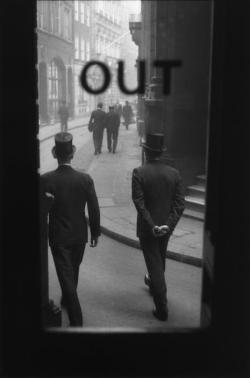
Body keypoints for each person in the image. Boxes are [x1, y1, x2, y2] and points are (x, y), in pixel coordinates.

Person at [41, 132, 101, 327]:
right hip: (79, 236)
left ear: (55, 155)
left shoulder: (46, 180)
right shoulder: (85, 179)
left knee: (66, 276)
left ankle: (77, 322)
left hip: (59, 237)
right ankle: (67, 299)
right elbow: (93, 208)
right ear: (72, 155)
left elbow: (41, 209)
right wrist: (95, 233)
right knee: (72, 270)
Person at [132, 133, 185, 321]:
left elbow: (139, 203)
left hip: (148, 229)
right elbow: (180, 204)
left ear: (146, 152)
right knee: (160, 259)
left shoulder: (139, 173)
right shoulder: (174, 173)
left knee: (155, 265)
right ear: (161, 153)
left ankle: (162, 309)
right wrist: (167, 226)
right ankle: (153, 283)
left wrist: (152, 225)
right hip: (166, 228)